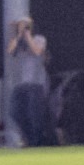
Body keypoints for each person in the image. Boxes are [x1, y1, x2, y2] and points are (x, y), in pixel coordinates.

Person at [6, 16, 53, 147]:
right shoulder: (18, 41)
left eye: (24, 24)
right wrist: (19, 35)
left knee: (34, 114)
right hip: (20, 84)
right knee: (14, 112)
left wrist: (27, 35)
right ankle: (28, 138)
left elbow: (37, 51)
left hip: (35, 83)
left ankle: (36, 141)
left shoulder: (39, 39)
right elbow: (10, 50)